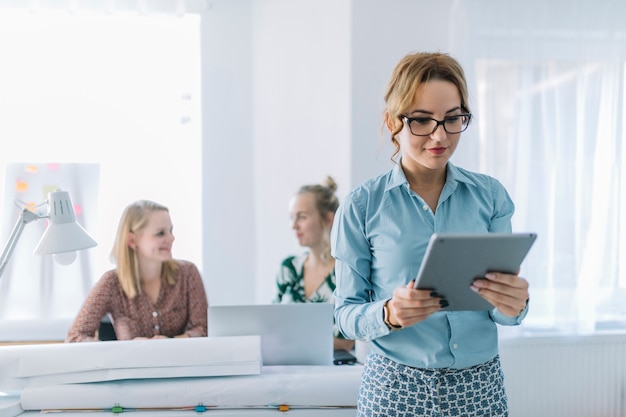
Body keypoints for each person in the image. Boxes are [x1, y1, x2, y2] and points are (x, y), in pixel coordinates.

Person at [330, 52, 530, 416]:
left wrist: (514, 304)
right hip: (395, 389)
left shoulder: (491, 196)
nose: (440, 135)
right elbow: (344, 314)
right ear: (393, 121)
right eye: (421, 120)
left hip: (479, 389)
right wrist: (390, 313)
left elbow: (504, 312)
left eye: (453, 119)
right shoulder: (361, 207)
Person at [66, 200, 208, 342]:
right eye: (160, 233)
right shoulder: (112, 282)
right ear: (132, 240)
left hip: (181, 363)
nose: (171, 238)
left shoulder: (188, 273)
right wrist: (122, 349)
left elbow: (203, 329)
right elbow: (75, 336)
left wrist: (170, 341)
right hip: (130, 363)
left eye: (170, 231)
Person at [274, 177, 354, 352]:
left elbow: (349, 341)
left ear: (328, 219)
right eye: (291, 218)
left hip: (335, 371)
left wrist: (292, 342)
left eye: (302, 217)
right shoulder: (289, 268)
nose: (293, 226)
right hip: (287, 366)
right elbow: (272, 323)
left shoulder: (348, 271)